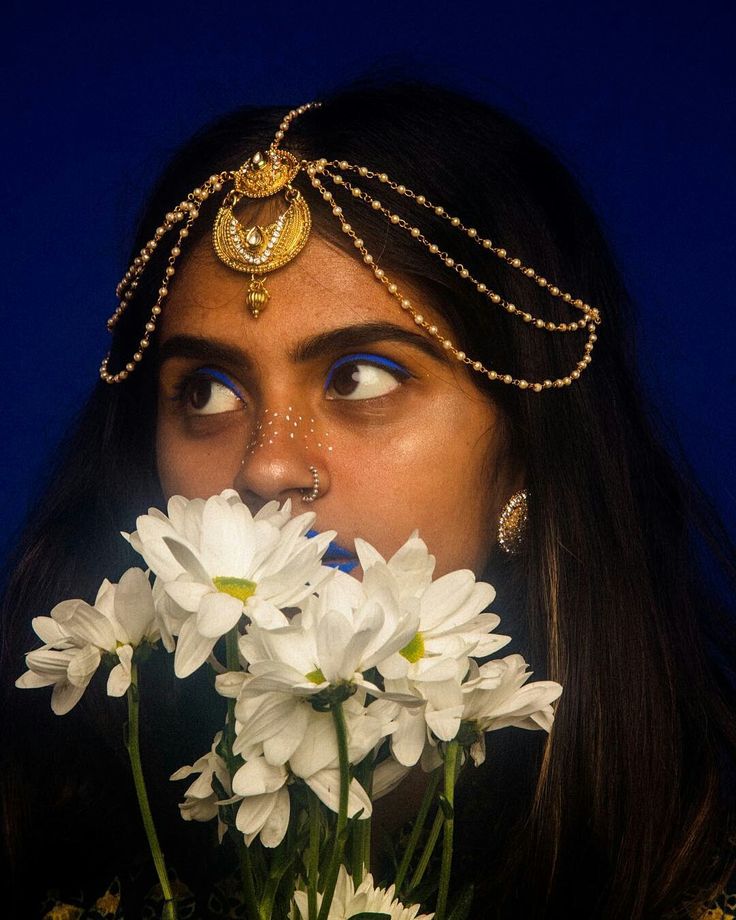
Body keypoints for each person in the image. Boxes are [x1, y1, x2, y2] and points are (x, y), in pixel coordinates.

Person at [2, 81, 735, 919]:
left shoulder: (691, 887)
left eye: (361, 377)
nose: (269, 467)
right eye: (206, 391)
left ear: (528, 452)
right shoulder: (51, 864)